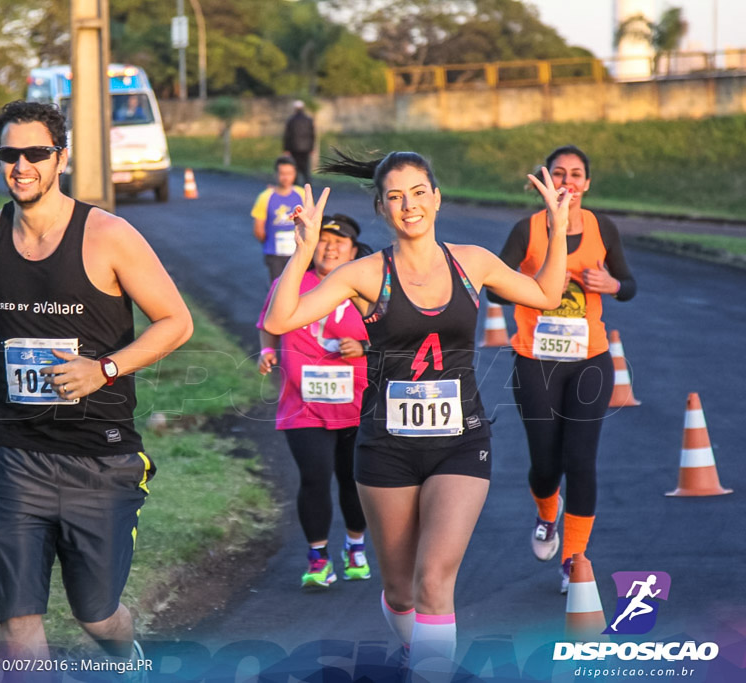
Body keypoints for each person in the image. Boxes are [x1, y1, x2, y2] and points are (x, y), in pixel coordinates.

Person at [264, 151, 570, 676]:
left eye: (419, 192)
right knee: (400, 591)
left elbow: (546, 293)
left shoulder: (471, 262)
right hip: (386, 446)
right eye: (396, 197)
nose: (410, 205)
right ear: (382, 208)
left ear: (437, 197)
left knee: (434, 583)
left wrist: (558, 228)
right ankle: (417, 651)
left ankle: (429, 670)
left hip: (460, 441)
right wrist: (305, 250)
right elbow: (281, 316)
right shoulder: (365, 273)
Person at [0, 101, 193, 665]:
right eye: (9, 154)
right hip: (15, 453)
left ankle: (128, 660)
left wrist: (105, 369)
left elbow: (177, 322)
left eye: (36, 153)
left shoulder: (109, 235)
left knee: (96, 615)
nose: (22, 166)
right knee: (18, 625)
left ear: (60, 158)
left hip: (101, 457)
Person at [489, 145, 636, 594]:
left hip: (589, 361)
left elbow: (628, 285)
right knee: (545, 464)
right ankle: (546, 514)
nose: (567, 181)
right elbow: (494, 287)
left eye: (575, 174)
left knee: (581, 461)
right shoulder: (527, 230)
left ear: (586, 183)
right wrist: (532, 288)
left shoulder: (602, 227)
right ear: (546, 181)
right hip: (536, 361)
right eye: (558, 173)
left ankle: (574, 558)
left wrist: (610, 285)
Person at [257, 214, 373, 589]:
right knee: (314, 477)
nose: (330, 246)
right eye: (323, 239)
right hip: (302, 404)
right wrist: (267, 351)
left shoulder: (368, 289)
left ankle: (355, 547)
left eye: (340, 242)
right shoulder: (290, 283)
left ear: (354, 251)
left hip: (357, 405)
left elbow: (396, 340)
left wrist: (365, 345)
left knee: (354, 480)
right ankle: (317, 558)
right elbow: (268, 325)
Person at [251, 156, 306, 281]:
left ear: (295, 174)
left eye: (289, 173)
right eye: (282, 173)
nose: (286, 177)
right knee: (277, 287)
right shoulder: (265, 197)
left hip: (298, 252)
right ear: (276, 174)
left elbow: (312, 219)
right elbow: (258, 229)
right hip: (275, 254)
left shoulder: (302, 194)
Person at [282, 100, 315, 186]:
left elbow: (287, 135)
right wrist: (311, 148)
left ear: (295, 109)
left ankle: (295, 187)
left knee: (294, 168)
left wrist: (286, 149)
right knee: (306, 169)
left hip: (294, 148)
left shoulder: (291, 120)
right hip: (306, 148)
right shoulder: (308, 120)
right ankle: (308, 187)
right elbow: (312, 135)